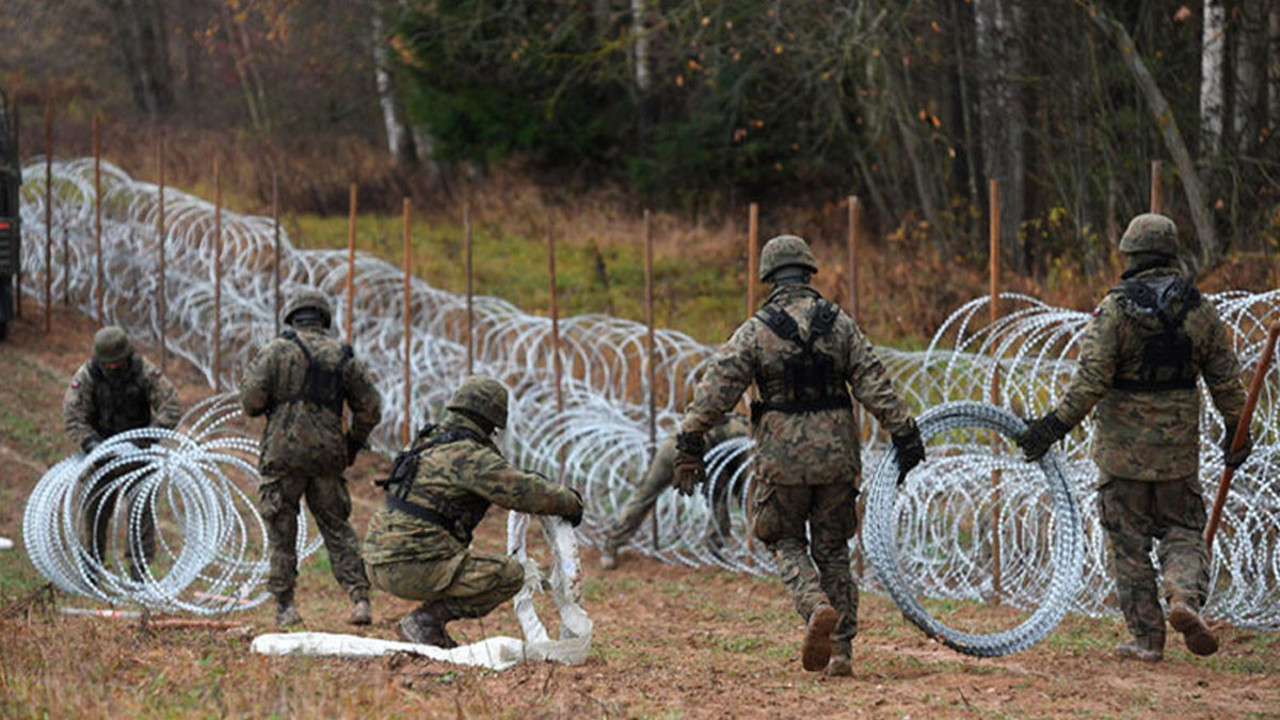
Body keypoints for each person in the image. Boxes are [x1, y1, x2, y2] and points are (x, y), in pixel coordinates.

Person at [674, 235, 924, 677]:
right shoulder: (839, 324)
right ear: (808, 272)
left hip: (781, 459)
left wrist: (690, 439)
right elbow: (873, 382)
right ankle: (841, 651)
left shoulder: (757, 330)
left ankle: (813, 605)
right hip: (837, 457)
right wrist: (904, 432)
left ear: (769, 277)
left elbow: (717, 389)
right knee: (833, 550)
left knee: (783, 539)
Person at [1017, 213, 1249, 662]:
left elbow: (1090, 382)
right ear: (1171, 253)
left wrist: (1052, 427)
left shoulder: (1115, 310)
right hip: (1177, 454)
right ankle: (1184, 597)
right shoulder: (1199, 309)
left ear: (1130, 255)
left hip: (1122, 456)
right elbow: (1226, 380)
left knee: (1128, 545)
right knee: (1183, 530)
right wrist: (1237, 430)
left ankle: (1147, 639)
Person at [363, 376, 584, 648]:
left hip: (375, 561)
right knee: (509, 575)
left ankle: (426, 625)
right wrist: (570, 502)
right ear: (490, 421)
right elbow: (523, 491)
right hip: (410, 566)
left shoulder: (424, 442)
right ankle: (425, 622)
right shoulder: (470, 456)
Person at [240, 289, 383, 627]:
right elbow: (371, 408)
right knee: (337, 528)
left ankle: (285, 606)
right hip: (327, 456)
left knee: (282, 530)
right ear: (324, 319)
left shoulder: (276, 351)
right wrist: (351, 444)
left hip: (283, 452)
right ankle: (359, 599)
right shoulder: (342, 356)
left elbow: (251, 402)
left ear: (292, 317)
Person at [64, 325, 181, 579]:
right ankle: (91, 566)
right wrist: (91, 444)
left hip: (138, 454)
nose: (114, 368)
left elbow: (171, 405)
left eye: (118, 363)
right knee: (94, 510)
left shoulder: (144, 372)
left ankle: (139, 571)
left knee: (141, 512)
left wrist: (146, 438)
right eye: (109, 364)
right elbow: (73, 415)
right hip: (101, 455)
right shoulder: (88, 376)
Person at [600, 412, 750, 570]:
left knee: (643, 496)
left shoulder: (723, 418)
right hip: (696, 454)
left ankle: (611, 545)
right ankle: (714, 549)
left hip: (672, 447)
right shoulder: (743, 433)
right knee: (718, 500)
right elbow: (741, 482)